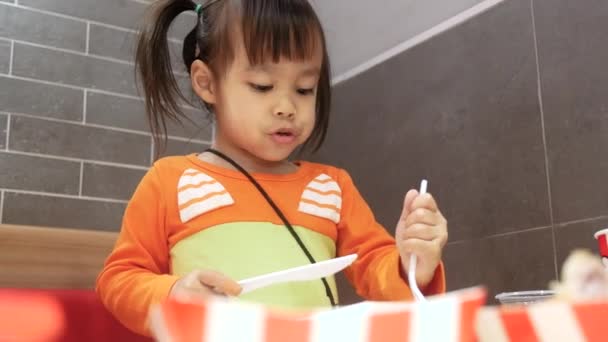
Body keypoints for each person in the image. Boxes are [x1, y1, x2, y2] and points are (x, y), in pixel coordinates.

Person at [96, 0, 449, 336]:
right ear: (206, 82)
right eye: (263, 86)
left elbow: (377, 270)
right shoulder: (170, 181)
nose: (286, 106)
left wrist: (414, 262)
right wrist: (174, 294)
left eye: (304, 88)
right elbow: (119, 280)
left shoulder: (331, 187)